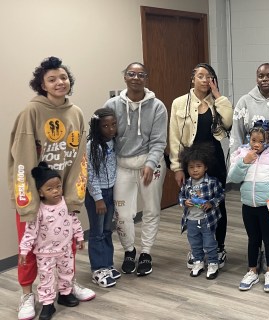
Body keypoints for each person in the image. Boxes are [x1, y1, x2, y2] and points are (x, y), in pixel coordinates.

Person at [9, 56, 95, 320]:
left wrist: (72, 198)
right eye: (52, 79)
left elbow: (79, 158)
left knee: (66, 246)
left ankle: (65, 287)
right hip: (35, 200)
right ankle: (27, 295)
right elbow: (22, 160)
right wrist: (30, 203)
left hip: (62, 198)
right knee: (31, 249)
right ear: (42, 85)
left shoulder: (76, 112)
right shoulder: (31, 112)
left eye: (63, 77)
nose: (60, 82)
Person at [105, 62, 168, 277]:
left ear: (146, 79)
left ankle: (146, 253)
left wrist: (150, 164)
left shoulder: (157, 106)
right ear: (125, 77)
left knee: (151, 210)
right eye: (131, 74)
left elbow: (159, 141)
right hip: (122, 164)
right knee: (122, 213)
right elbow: (106, 136)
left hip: (150, 164)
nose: (136, 78)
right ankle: (129, 251)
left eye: (141, 75)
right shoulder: (112, 104)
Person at [169, 63, 233, 269]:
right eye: (201, 76)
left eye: (209, 77)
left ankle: (219, 247)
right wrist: (177, 167)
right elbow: (174, 137)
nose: (205, 80)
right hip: (191, 161)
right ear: (192, 79)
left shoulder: (218, 102)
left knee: (216, 204)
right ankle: (197, 250)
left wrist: (218, 95)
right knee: (193, 204)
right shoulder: (179, 103)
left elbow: (229, 122)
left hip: (214, 160)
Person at [19, 162, 85, 320]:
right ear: (41, 192)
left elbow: (74, 221)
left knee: (67, 273)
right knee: (46, 279)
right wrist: (23, 250)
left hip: (65, 250)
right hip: (45, 253)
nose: (56, 191)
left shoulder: (66, 204)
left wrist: (80, 237)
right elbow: (30, 232)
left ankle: (65, 294)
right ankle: (48, 304)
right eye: (50, 189)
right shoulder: (39, 211)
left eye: (58, 187)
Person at [228, 121, 269, 292]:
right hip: (249, 205)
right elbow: (234, 178)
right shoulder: (242, 154)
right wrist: (244, 162)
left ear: (267, 141)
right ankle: (252, 270)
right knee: (253, 239)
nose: (256, 144)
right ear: (249, 139)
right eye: (253, 140)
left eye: (261, 141)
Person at [178, 143, 225, 280]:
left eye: (198, 166)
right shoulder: (186, 184)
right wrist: (184, 202)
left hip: (207, 220)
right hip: (191, 220)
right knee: (194, 243)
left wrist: (212, 203)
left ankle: (212, 263)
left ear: (206, 167)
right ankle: (198, 262)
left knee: (210, 243)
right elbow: (180, 196)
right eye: (191, 167)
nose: (195, 170)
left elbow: (221, 195)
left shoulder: (212, 182)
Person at [86, 108, 121, 288]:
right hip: (96, 195)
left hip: (109, 192)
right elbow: (90, 174)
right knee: (97, 233)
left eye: (113, 124)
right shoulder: (92, 146)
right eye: (105, 126)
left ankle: (108, 264)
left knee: (107, 231)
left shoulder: (113, 142)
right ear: (97, 127)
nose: (110, 129)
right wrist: (98, 198)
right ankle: (98, 269)